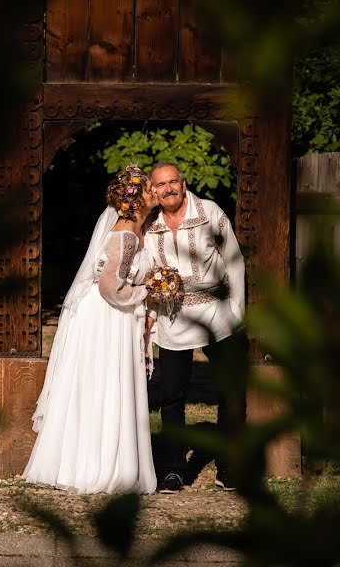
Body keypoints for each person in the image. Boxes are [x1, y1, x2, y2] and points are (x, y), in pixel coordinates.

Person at [23, 165, 158, 494]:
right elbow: (110, 289)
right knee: (103, 383)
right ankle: (96, 467)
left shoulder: (135, 229)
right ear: (136, 199)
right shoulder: (126, 236)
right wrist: (148, 291)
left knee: (101, 385)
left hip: (110, 316)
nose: (153, 192)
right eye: (148, 189)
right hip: (107, 316)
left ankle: (92, 461)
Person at [143, 161, 247, 494]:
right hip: (174, 318)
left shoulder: (211, 213)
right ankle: (174, 470)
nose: (168, 189)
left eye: (173, 182)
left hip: (218, 315)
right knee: (171, 397)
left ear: (183, 183)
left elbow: (234, 261)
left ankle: (229, 467)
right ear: (153, 190)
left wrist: (237, 311)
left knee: (230, 393)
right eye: (160, 184)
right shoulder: (150, 226)